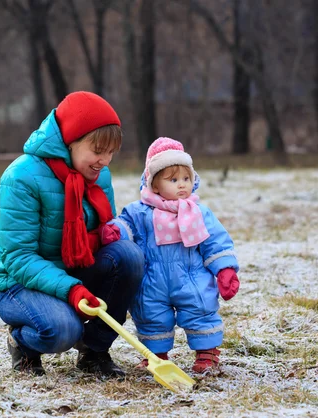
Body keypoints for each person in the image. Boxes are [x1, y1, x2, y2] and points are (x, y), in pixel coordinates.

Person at [0, 91, 144, 378]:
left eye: (111, 152)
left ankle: (94, 353)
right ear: (70, 141)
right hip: (22, 283)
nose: (105, 161)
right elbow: (18, 258)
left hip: (75, 269)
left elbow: (104, 233)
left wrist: (109, 234)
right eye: (98, 150)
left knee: (129, 256)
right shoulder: (21, 177)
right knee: (62, 330)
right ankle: (23, 344)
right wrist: (71, 290)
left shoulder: (99, 175)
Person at [103, 137, 240, 373]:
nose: (182, 185)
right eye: (173, 180)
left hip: (191, 276)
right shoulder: (140, 211)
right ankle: (156, 356)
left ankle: (207, 354)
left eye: (187, 178)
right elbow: (127, 225)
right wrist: (116, 231)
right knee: (151, 315)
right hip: (153, 278)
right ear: (154, 184)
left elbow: (215, 242)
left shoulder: (197, 212)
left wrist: (225, 269)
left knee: (201, 310)